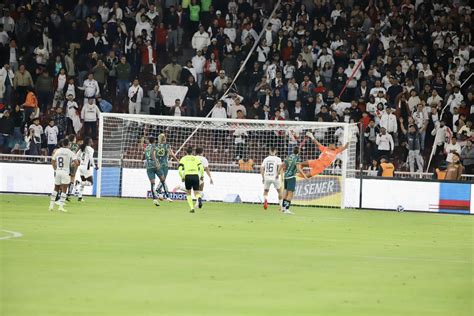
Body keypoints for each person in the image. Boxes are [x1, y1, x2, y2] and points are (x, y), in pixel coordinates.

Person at [49, 139, 78, 212]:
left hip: (58, 171)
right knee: (64, 189)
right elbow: (76, 162)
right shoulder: (70, 152)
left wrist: (55, 169)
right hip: (65, 172)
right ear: (68, 144)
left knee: (56, 188)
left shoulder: (58, 151)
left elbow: (52, 160)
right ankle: (61, 207)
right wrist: (73, 165)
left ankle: (51, 205)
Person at [279, 146, 307, 215]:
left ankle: (282, 208)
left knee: (285, 192)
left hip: (286, 176)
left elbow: (282, 165)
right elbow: (298, 169)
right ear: (299, 151)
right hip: (291, 177)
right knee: (290, 194)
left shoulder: (289, 156)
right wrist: (305, 176)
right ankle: (286, 209)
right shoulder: (297, 158)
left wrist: (278, 173)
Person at [178, 146, 204, 213]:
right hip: (195, 176)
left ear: (186, 152)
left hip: (187, 176)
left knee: (188, 193)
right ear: (192, 152)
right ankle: (199, 198)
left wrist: (182, 177)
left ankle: (192, 208)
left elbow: (180, 170)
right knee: (196, 193)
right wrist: (202, 176)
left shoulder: (183, 158)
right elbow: (201, 168)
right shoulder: (195, 158)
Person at [154, 133, 178, 201]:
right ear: (164, 138)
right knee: (163, 180)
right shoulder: (167, 146)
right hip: (164, 165)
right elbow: (172, 154)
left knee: (162, 180)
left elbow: (153, 155)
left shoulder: (156, 146)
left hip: (157, 165)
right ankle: (158, 191)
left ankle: (162, 194)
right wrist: (178, 161)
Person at [76, 137, 97, 202]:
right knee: (91, 183)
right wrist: (94, 166)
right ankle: (78, 183)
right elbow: (91, 158)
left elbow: (76, 156)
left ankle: (80, 196)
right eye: (91, 140)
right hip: (86, 168)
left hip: (81, 167)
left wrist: (80, 160)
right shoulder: (90, 149)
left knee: (84, 182)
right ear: (89, 142)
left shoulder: (82, 148)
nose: (92, 141)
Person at [144, 136, 161, 206]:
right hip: (154, 165)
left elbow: (144, 157)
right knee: (162, 179)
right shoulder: (155, 147)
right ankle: (159, 194)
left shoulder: (146, 148)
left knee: (152, 183)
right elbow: (155, 155)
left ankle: (154, 199)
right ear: (154, 141)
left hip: (148, 166)